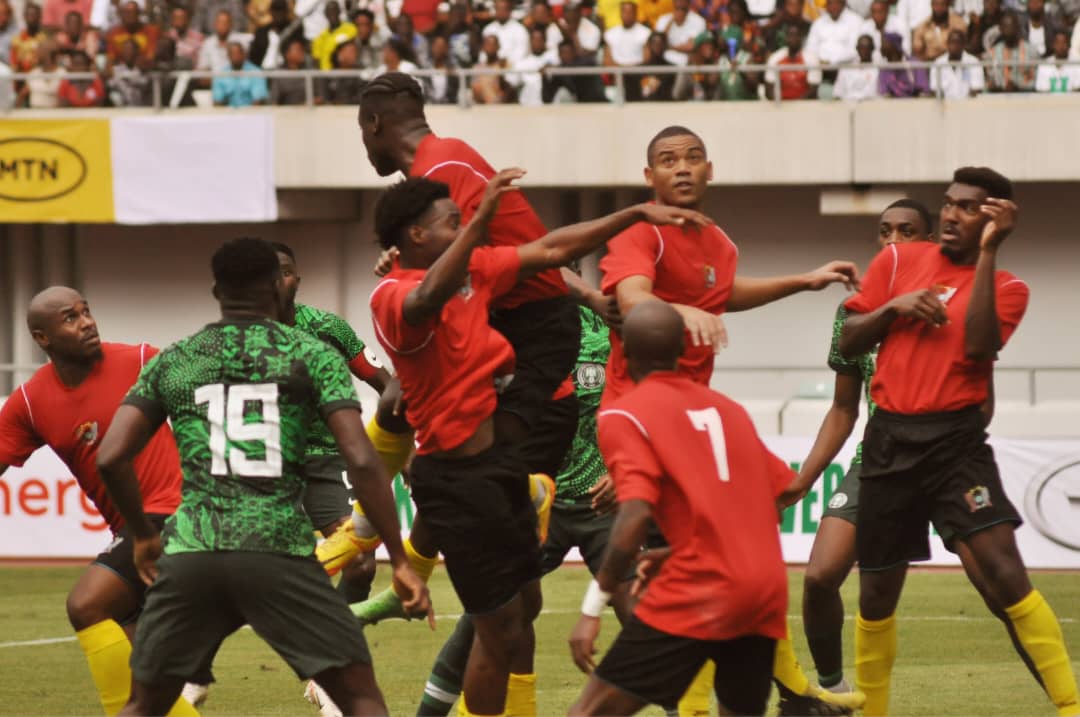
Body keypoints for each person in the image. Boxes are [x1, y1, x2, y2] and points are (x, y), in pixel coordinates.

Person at [368, 169, 708, 717]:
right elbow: (426, 298)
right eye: (451, 222)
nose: (466, 228)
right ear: (416, 235)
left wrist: (636, 213)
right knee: (497, 633)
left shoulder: (472, 271)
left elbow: (552, 250)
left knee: (526, 607)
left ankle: (533, 495)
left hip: (500, 467)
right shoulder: (391, 294)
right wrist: (481, 219)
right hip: (454, 482)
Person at [96, 237, 430, 717]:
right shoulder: (311, 354)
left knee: (144, 705)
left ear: (217, 291)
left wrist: (145, 536)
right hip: (276, 548)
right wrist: (400, 559)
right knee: (360, 699)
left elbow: (111, 457)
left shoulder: (178, 358)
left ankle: (193, 675)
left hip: (192, 548)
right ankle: (311, 680)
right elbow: (362, 460)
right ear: (277, 286)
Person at [597, 125, 865, 717]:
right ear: (649, 177)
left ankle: (788, 688)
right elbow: (633, 300)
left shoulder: (718, 242)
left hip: (693, 421)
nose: (682, 168)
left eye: (693, 158)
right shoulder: (641, 233)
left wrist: (802, 281)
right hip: (642, 415)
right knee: (683, 575)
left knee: (750, 533)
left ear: (710, 169)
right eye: (669, 160)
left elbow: (723, 294)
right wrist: (682, 311)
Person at [351, 72, 598, 640]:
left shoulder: (442, 169)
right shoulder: (436, 170)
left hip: (529, 327)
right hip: (513, 316)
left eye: (362, 134)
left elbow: (486, 255)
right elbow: (508, 252)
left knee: (417, 421)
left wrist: (408, 265)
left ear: (374, 123)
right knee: (420, 427)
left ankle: (379, 538)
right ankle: (411, 556)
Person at [839, 167, 1080, 717]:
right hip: (888, 440)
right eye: (949, 203)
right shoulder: (896, 261)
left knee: (1005, 576)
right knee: (876, 596)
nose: (951, 214)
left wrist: (989, 252)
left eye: (969, 208)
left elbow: (977, 345)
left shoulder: (1010, 287)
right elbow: (848, 340)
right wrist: (893, 308)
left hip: (955, 445)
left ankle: (1071, 707)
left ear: (995, 220)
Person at [566, 301, 793, 717]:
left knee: (589, 712)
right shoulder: (728, 410)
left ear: (623, 353)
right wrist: (678, 550)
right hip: (763, 586)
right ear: (682, 351)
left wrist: (592, 609)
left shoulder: (623, 413)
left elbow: (634, 515)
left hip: (702, 585)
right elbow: (781, 493)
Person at [415, 303, 630, 717]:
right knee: (487, 621)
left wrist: (625, 470)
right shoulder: (502, 329)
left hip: (600, 503)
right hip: (534, 500)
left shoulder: (610, 332)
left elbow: (641, 403)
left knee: (641, 613)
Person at [0, 287, 198, 717]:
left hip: (179, 510)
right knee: (143, 672)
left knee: (87, 605)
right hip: (134, 532)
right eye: (70, 318)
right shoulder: (30, 403)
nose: (87, 322)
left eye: (86, 311)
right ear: (42, 338)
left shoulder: (142, 361)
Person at [765, 24, 821, 100]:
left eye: (796, 35)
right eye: (790, 35)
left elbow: (813, 91)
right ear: (786, 38)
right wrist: (780, 104)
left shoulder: (811, 59)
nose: (793, 38)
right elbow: (768, 90)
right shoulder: (775, 58)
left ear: (801, 38)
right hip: (780, 104)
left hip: (805, 104)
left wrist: (796, 105)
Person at [987, 11, 1036, 91]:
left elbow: (1036, 79)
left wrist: (1019, 87)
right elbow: (989, 80)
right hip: (998, 95)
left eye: (1011, 26)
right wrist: (1000, 87)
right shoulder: (992, 53)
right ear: (1000, 29)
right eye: (1005, 27)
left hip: (1025, 95)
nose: (1008, 30)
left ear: (1017, 28)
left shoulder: (1031, 50)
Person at [249, 0, 304, 69]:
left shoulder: (294, 30)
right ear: (271, 11)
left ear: (286, 12)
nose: (278, 14)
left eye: (281, 11)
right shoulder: (262, 32)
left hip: (288, 70)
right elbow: (254, 56)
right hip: (263, 70)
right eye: (275, 10)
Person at [931, 28, 984, 97]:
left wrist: (966, 102)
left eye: (958, 42)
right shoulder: (938, 63)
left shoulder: (974, 62)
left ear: (964, 44)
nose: (955, 46)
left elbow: (977, 88)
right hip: (944, 103)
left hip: (968, 102)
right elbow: (935, 89)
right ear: (947, 44)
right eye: (952, 42)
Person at [212, 41, 269, 106]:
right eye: (232, 54)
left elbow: (259, 99)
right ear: (228, 56)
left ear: (244, 54)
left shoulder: (256, 72)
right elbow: (217, 100)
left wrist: (248, 112)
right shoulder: (221, 74)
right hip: (227, 111)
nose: (236, 57)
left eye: (238, 53)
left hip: (251, 111)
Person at [104, 1, 159, 65]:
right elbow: (110, 58)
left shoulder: (151, 31)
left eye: (134, 12)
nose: (130, 15)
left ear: (139, 13)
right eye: (127, 12)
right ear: (122, 14)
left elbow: (150, 57)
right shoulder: (114, 33)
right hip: (120, 68)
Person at [877, 32, 931, 97]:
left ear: (894, 45)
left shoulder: (915, 63)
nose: (881, 47)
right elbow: (884, 94)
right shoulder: (884, 68)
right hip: (892, 103)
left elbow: (924, 92)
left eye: (884, 43)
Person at [603, 1, 651, 72]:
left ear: (636, 13)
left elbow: (647, 59)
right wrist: (621, 70)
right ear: (620, 13)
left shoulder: (646, 33)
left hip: (639, 72)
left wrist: (631, 70)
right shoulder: (610, 33)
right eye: (625, 12)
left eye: (630, 12)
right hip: (616, 73)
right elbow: (607, 60)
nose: (627, 15)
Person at [656, 0, 708, 65]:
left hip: (688, 63)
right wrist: (671, 21)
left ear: (689, 2)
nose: (680, 2)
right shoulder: (663, 19)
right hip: (663, 62)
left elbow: (691, 46)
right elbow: (659, 44)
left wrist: (670, 47)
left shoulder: (699, 21)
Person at [832, 33, 879, 100]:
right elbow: (837, 94)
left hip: (871, 104)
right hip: (847, 104)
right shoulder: (846, 69)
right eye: (861, 47)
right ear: (857, 48)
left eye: (867, 47)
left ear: (873, 48)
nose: (864, 51)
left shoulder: (879, 69)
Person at [196, 9, 245, 73]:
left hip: (236, 77)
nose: (222, 26)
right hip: (213, 78)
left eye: (225, 23)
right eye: (220, 22)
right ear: (215, 24)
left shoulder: (239, 41)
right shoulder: (207, 43)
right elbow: (202, 68)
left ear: (231, 24)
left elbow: (245, 65)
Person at [312, 0, 357, 69]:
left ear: (339, 11)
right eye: (329, 12)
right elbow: (316, 60)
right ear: (325, 14)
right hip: (325, 73)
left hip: (344, 70)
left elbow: (351, 51)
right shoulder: (319, 38)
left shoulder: (350, 29)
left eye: (334, 10)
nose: (332, 14)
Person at [271, 37, 313, 104]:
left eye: (302, 50)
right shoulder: (279, 75)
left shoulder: (310, 72)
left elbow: (320, 97)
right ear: (287, 54)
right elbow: (273, 101)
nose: (302, 53)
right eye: (298, 50)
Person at [10, 2, 46, 72]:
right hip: (21, 74)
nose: (32, 18)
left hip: (38, 74)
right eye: (29, 15)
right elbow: (13, 62)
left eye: (34, 15)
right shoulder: (16, 40)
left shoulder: (44, 39)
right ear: (24, 16)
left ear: (40, 17)